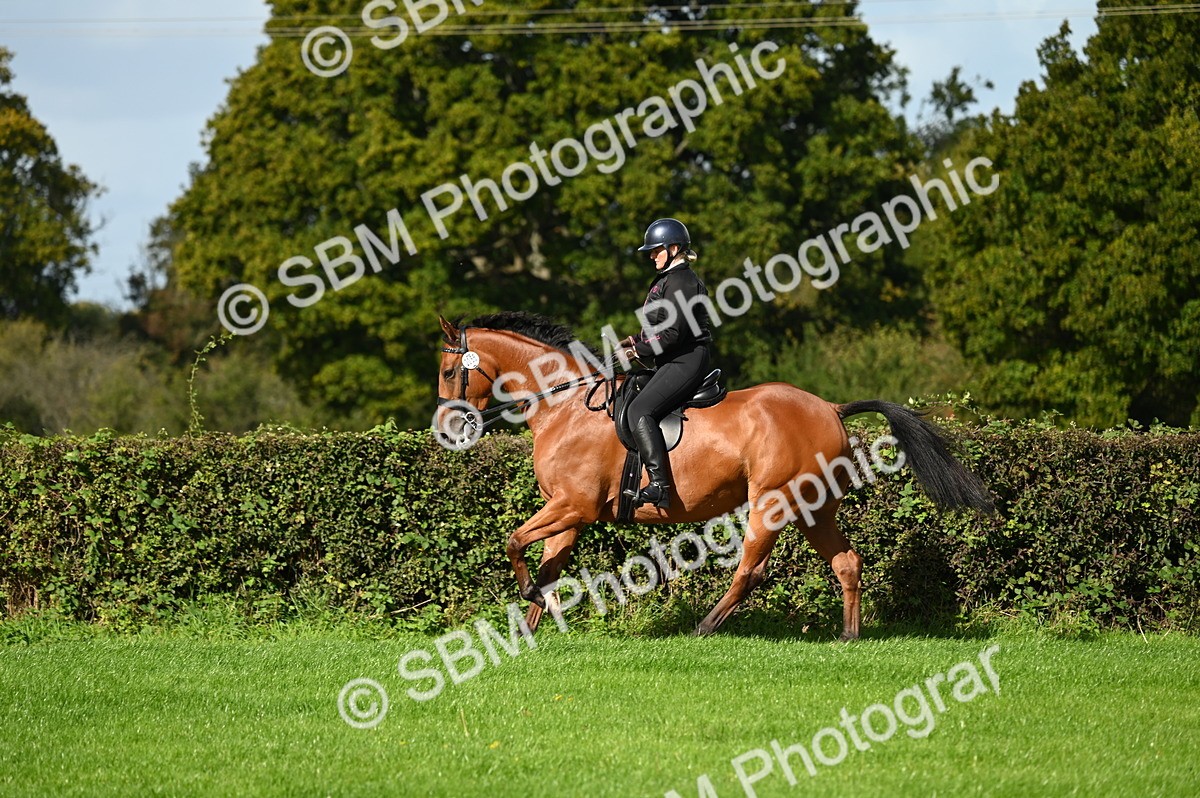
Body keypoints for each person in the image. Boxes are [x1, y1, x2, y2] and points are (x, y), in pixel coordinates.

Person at [618, 218, 713, 510]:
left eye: (655, 250)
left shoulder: (683, 280)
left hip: (686, 360)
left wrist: (640, 350)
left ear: (674, 248)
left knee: (639, 409)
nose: (651, 256)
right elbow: (660, 328)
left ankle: (660, 486)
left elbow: (673, 334)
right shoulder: (668, 279)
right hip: (671, 358)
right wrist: (634, 342)